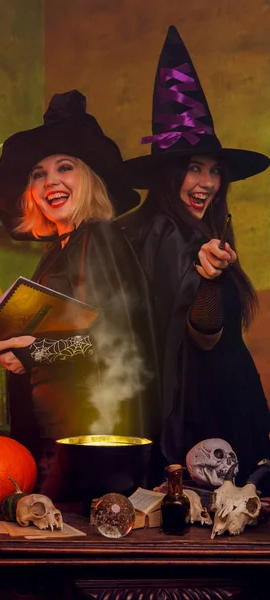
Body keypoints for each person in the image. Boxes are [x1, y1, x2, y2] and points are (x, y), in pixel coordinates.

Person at [0, 90, 161, 499]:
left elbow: (108, 342)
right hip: (55, 432)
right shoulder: (58, 250)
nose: (51, 181)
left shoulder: (99, 236)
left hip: (91, 437)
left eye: (65, 167)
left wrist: (29, 351)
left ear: (89, 178)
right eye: (38, 173)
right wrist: (11, 345)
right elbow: (62, 336)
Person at [121, 26, 270, 487]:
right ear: (168, 173)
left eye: (214, 171)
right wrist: (207, 281)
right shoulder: (167, 234)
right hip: (203, 422)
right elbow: (199, 335)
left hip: (227, 405)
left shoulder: (193, 229)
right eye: (193, 168)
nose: (206, 182)